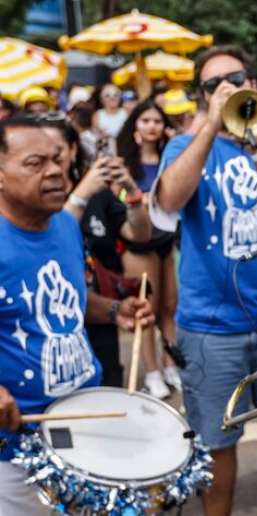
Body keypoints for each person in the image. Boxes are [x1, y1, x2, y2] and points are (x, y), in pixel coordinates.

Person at [148, 46, 257, 516]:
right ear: (199, 95)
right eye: (213, 84)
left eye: (235, 78)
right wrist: (210, 125)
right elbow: (167, 201)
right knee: (215, 445)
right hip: (208, 326)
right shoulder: (182, 147)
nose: (226, 88)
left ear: (253, 83)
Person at [0, 114, 153, 515]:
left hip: (86, 418)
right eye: (35, 164)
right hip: (17, 450)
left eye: (57, 159)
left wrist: (116, 309)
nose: (54, 172)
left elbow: (68, 300)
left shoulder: (65, 227)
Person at [39, 115, 153, 389]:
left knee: (107, 388)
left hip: (100, 318)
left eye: (56, 153)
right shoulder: (30, 200)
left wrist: (131, 190)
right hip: (50, 335)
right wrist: (80, 194)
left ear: (73, 150)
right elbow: (51, 240)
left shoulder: (98, 194)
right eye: (37, 158)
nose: (50, 166)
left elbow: (139, 233)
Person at [116, 100, 182, 398]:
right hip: (137, 246)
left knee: (170, 307)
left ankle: (171, 365)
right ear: (135, 126)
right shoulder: (124, 163)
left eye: (157, 121)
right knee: (146, 311)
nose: (152, 126)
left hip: (167, 242)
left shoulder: (173, 158)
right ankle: (152, 372)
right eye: (145, 121)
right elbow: (116, 201)